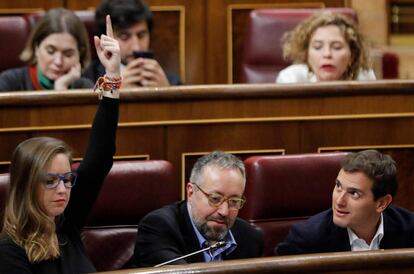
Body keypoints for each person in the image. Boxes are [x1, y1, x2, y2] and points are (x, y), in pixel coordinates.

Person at [0, 15, 121, 273]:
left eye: (67, 179)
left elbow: (99, 158)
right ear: (26, 185)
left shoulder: (66, 221)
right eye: (50, 180)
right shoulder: (9, 251)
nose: (63, 189)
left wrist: (112, 75)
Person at [133, 151, 264, 267]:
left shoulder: (250, 239)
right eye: (215, 199)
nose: (224, 211)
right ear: (191, 193)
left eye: (234, 201)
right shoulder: (159, 228)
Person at [275, 150, 414, 255]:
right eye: (338, 186)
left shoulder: (410, 229)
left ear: (382, 203)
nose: (339, 201)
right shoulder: (307, 238)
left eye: (354, 193)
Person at [83, 0, 181, 87]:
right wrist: (115, 89)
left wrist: (167, 93)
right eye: (124, 37)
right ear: (105, 39)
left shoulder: (170, 81)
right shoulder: (88, 80)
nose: (136, 47)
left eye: (141, 35)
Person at [0, 8, 95, 91]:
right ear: (36, 47)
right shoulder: (9, 82)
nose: (58, 62)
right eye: (51, 52)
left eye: (68, 54)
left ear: (80, 53)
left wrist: (61, 88)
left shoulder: (85, 88)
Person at [275, 12, 376, 83]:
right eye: (318, 47)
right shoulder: (291, 79)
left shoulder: (365, 79)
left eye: (336, 47)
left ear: (352, 55)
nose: (327, 54)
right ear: (306, 54)